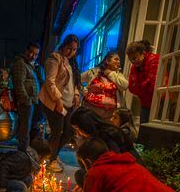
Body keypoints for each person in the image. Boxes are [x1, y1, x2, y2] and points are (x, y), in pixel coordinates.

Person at [39, 34, 81, 172]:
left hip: (68, 103)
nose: (71, 52)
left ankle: (53, 154)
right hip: (54, 102)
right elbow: (49, 82)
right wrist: (58, 101)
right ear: (63, 46)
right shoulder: (54, 58)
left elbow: (73, 82)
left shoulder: (70, 62)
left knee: (69, 132)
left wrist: (75, 94)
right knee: (57, 131)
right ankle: (52, 160)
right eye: (69, 48)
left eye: (74, 50)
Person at [11, 42, 42, 151]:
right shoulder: (20, 63)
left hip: (31, 101)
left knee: (26, 127)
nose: (33, 56)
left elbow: (38, 80)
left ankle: (24, 150)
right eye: (31, 52)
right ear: (26, 51)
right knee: (25, 128)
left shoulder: (31, 65)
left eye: (36, 54)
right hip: (26, 102)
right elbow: (18, 83)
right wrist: (26, 100)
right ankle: (22, 152)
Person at [81, 52, 128, 120]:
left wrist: (110, 73)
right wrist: (85, 91)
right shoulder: (94, 72)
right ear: (107, 61)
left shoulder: (118, 75)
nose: (118, 62)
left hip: (109, 115)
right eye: (116, 59)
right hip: (91, 112)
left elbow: (125, 86)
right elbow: (77, 79)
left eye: (119, 60)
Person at [126, 40, 159, 124]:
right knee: (144, 129)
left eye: (134, 58)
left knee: (153, 131)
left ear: (143, 54)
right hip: (145, 102)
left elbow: (152, 86)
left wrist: (138, 87)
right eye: (130, 60)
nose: (132, 62)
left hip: (158, 102)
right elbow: (131, 88)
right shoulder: (135, 66)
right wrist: (141, 87)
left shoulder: (154, 60)